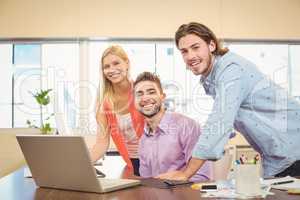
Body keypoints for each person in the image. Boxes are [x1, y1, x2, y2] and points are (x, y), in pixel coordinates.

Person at [157, 22, 300, 180]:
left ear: (211, 45)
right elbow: (230, 119)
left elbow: (220, 120)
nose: (190, 56)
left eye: (196, 47)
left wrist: (186, 173)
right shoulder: (212, 76)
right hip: (279, 157)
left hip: (294, 149)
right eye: (184, 51)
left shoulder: (230, 69)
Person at [133, 72, 212, 182]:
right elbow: (147, 182)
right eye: (139, 94)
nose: (145, 98)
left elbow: (202, 177)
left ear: (162, 97)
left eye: (151, 92)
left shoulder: (187, 126)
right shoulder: (143, 141)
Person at [90, 45, 144, 176]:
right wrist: (79, 164)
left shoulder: (142, 90)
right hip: (131, 163)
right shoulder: (104, 102)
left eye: (116, 63)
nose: (111, 69)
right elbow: (101, 143)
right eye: (106, 66)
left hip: (156, 161)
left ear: (127, 63)